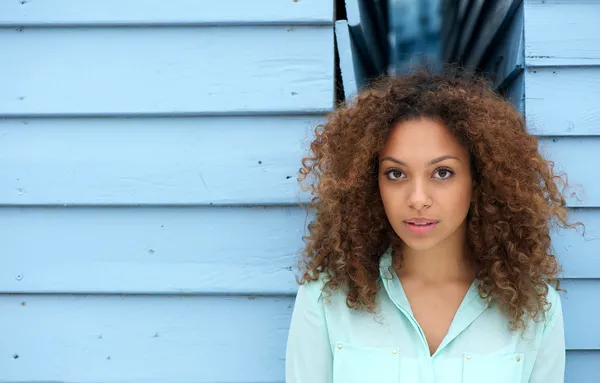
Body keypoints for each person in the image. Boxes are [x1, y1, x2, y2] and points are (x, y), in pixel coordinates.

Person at [285, 69, 582, 383]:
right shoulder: (326, 300)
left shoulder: (536, 309)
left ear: (479, 179)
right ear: (372, 184)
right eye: (396, 174)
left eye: (442, 173)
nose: (417, 199)